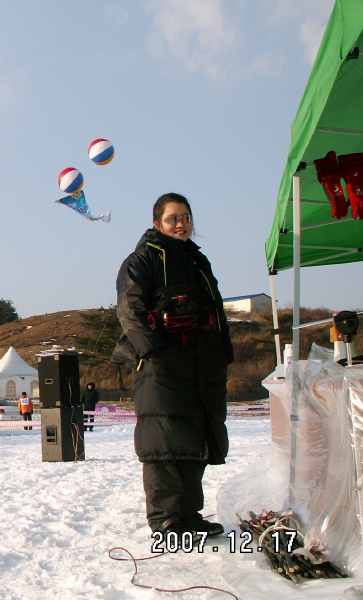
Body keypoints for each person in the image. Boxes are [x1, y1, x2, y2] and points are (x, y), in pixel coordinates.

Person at [111, 192, 233, 539]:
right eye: (172, 218)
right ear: (157, 223)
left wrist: (223, 353)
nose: (180, 224)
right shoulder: (142, 260)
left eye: (185, 217)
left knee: (196, 440)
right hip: (161, 367)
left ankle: (189, 515)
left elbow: (217, 310)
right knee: (163, 444)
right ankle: (165, 520)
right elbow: (129, 310)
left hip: (201, 365)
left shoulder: (198, 261)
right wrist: (155, 351)